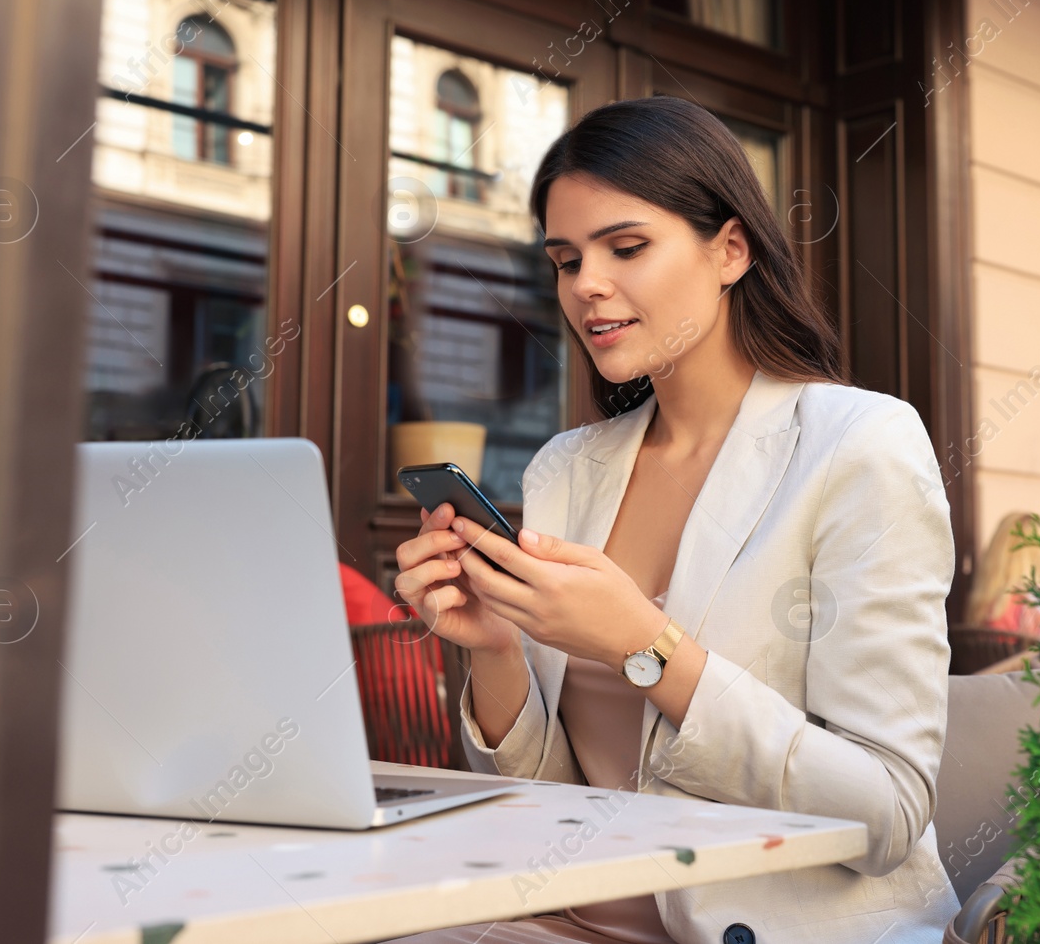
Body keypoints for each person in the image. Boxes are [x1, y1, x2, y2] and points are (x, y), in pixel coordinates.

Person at [383, 95, 961, 944]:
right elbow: (562, 796)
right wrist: (496, 646)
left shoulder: (860, 445)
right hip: (570, 920)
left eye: (627, 247)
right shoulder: (566, 469)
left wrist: (646, 648)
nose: (587, 285)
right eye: (566, 258)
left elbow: (886, 812)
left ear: (731, 248)